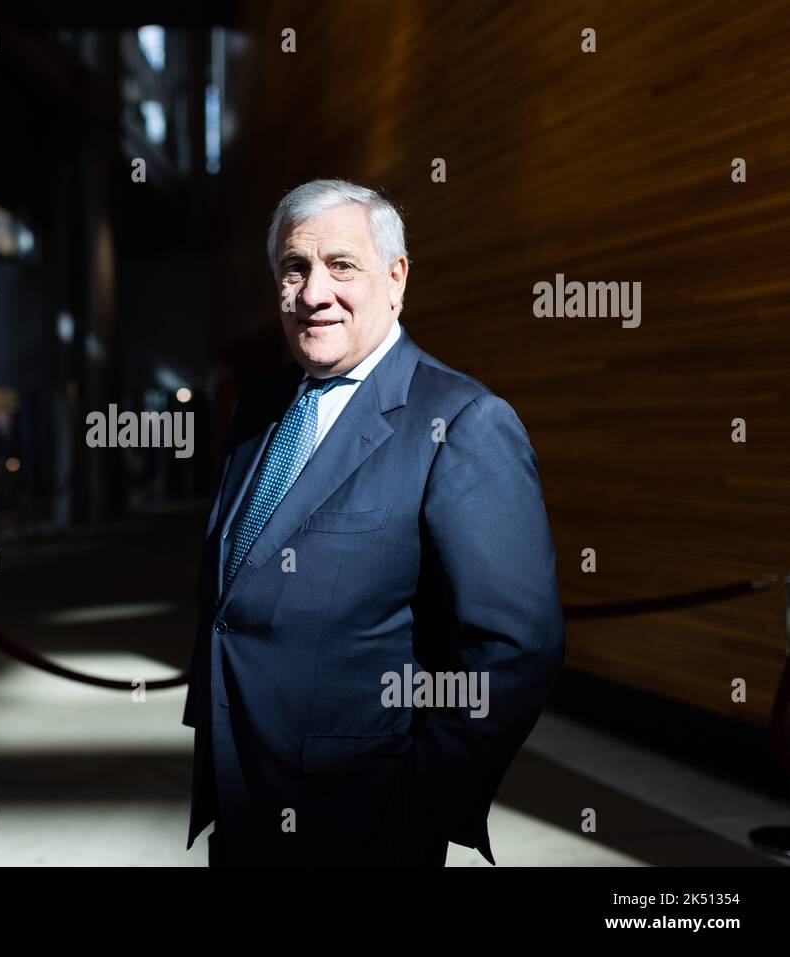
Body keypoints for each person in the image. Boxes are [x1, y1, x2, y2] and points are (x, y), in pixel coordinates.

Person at [182, 179, 565, 867]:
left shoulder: (464, 422)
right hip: (241, 807)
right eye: (295, 267)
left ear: (396, 280)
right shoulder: (261, 407)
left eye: (341, 265)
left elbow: (515, 645)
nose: (313, 291)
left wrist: (419, 801)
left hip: (363, 823)